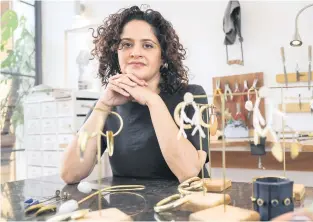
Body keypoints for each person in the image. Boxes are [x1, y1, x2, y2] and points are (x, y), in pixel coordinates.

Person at [61, 5, 209, 184]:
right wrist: (103, 105)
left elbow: (188, 173)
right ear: (116, 53)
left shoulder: (191, 96)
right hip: (130, 208)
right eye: (126, 44)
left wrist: (153, 101)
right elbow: (69, 174)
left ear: (163, 57)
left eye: (147, 45)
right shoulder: (107, 106)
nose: (135, 53)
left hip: (187, 207)